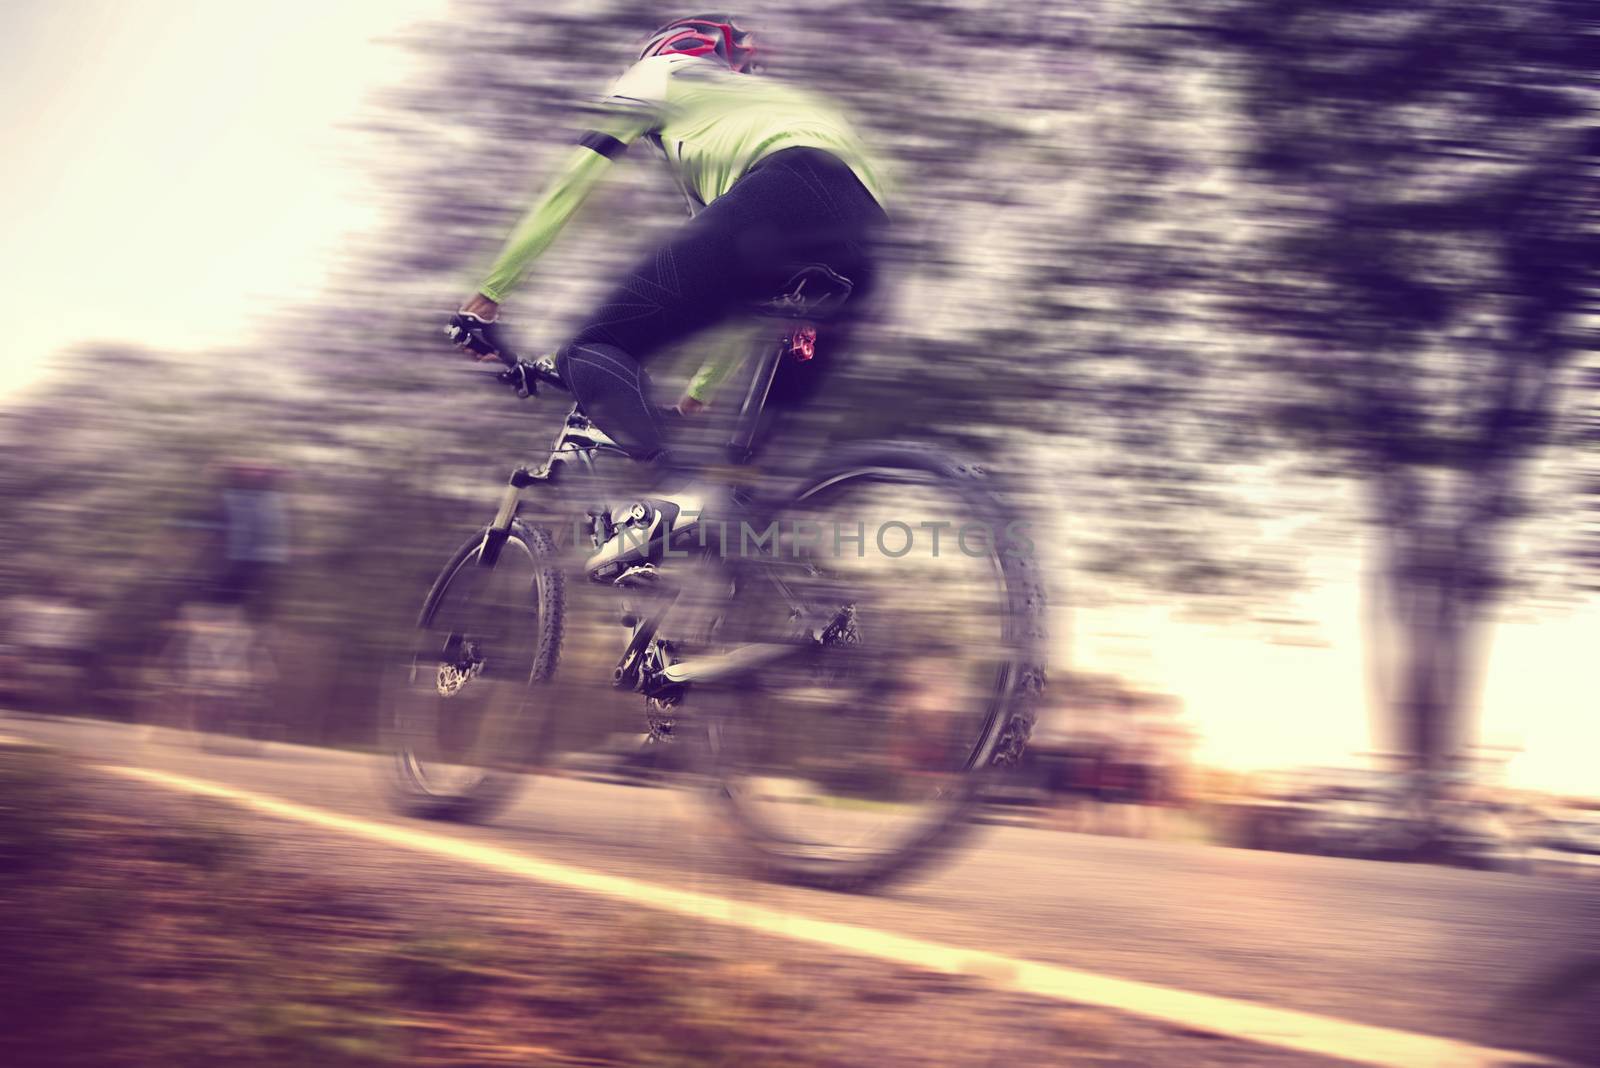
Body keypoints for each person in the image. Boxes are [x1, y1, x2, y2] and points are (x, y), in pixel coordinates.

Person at [446, 14, 889, 576]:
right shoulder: (752, 118)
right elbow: (739, 292)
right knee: (742, 485)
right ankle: (802, 611)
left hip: (788, 190)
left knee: (592, 349)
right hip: (866, 244)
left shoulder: (659, 73)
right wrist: (697, 398)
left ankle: (671, 496)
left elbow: (572, 182)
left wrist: (489, 294)